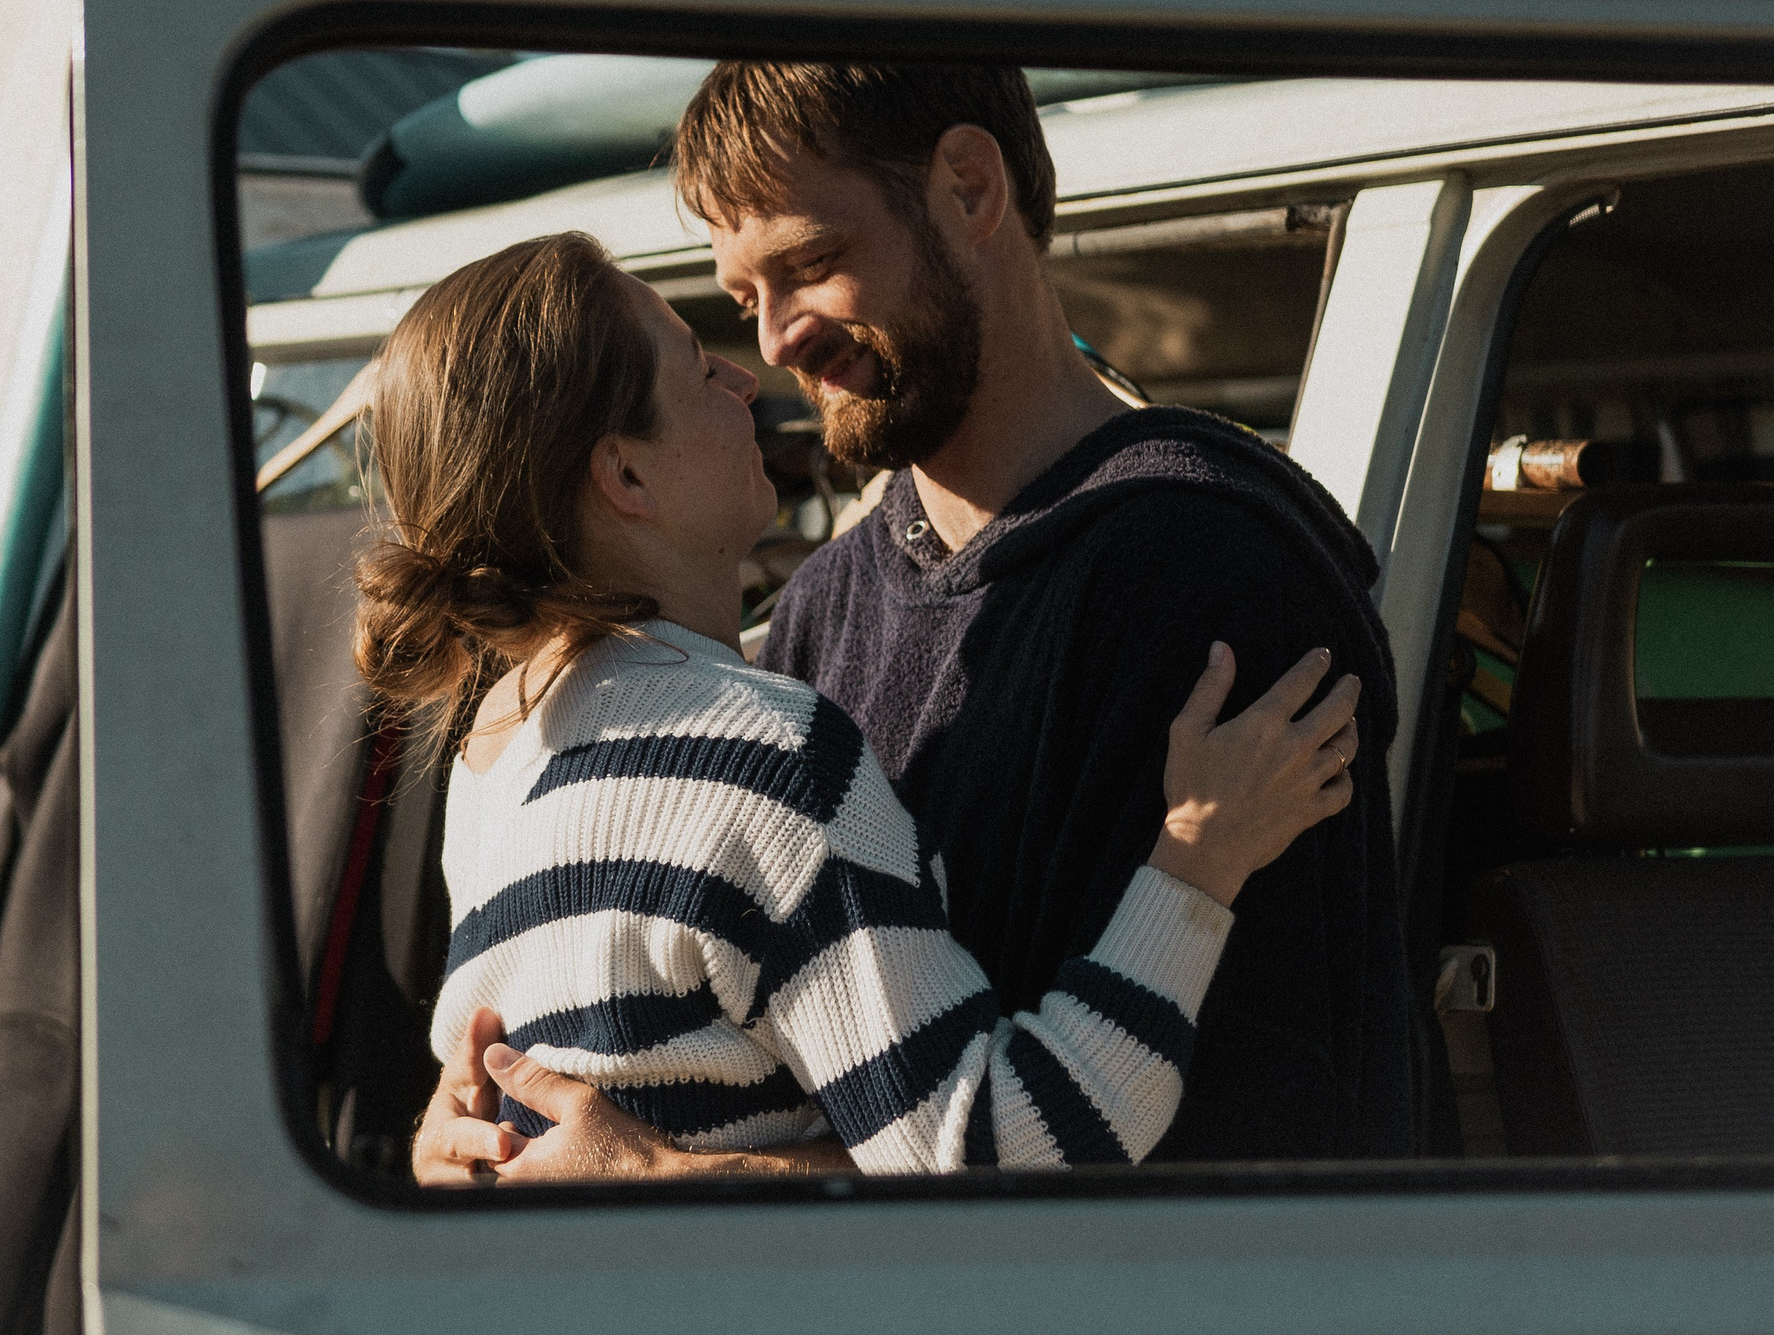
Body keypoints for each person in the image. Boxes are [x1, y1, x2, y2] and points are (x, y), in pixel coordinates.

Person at [419, 63, 1411, 1179]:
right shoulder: (816, 614)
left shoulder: (1207, 571)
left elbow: (1233, 1146)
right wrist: (475, 1134)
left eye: (807, 263)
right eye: (741, 299)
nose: (775, 342)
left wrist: (673, 1186)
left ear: (969, 187)